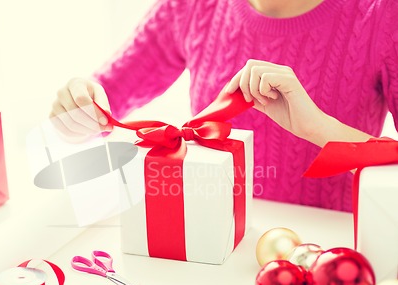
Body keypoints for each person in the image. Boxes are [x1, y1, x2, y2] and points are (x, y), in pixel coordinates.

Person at [50, 0, 398, 212]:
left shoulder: (383, 14)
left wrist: (318, 129)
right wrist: (79, 105)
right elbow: (105, 98)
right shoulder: (191, 5)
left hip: (327, 260)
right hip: (211, 247)